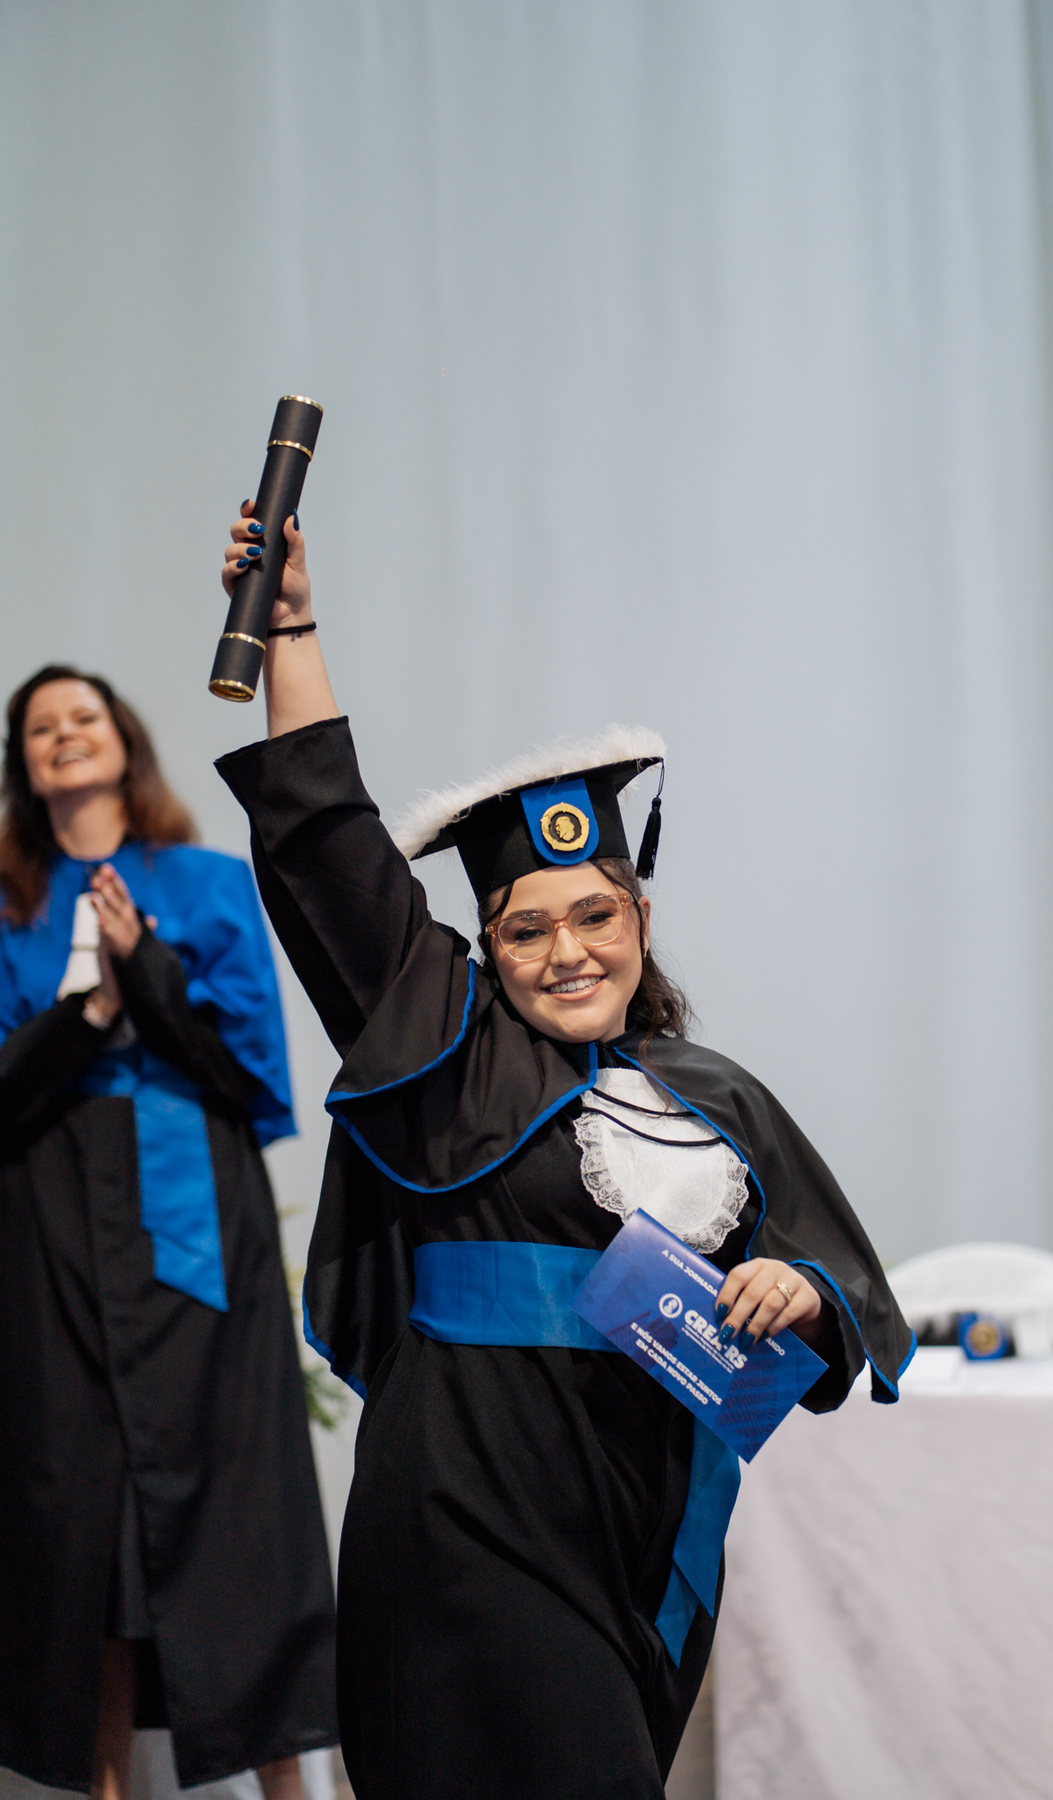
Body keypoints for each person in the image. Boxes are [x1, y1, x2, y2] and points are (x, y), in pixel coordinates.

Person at [215, 507, 913, 1800]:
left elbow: (840, 1288)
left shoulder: (722, 1099)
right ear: (485, 946)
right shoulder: (450, 1058)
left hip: (631, 1535)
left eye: (595, 915)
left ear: (641, 916)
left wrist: (802, 1289)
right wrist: (294, 625)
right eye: (525, 929)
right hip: (460, 1521)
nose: (567, 951)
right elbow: (329, 839)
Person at [0, 666, 338, 1800]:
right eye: (39, 728)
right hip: (44, 1226)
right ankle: (95, 1779)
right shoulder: (5, 901)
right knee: (73, 1510)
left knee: (235, 1495)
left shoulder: (206, 882)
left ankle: (289, 1786)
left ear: (123, 740)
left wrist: (141, 970)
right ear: (23, 764)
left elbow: (250, 1073)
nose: (61, 737)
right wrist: (85, 1015)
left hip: (191, 1205)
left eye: (81, 717)